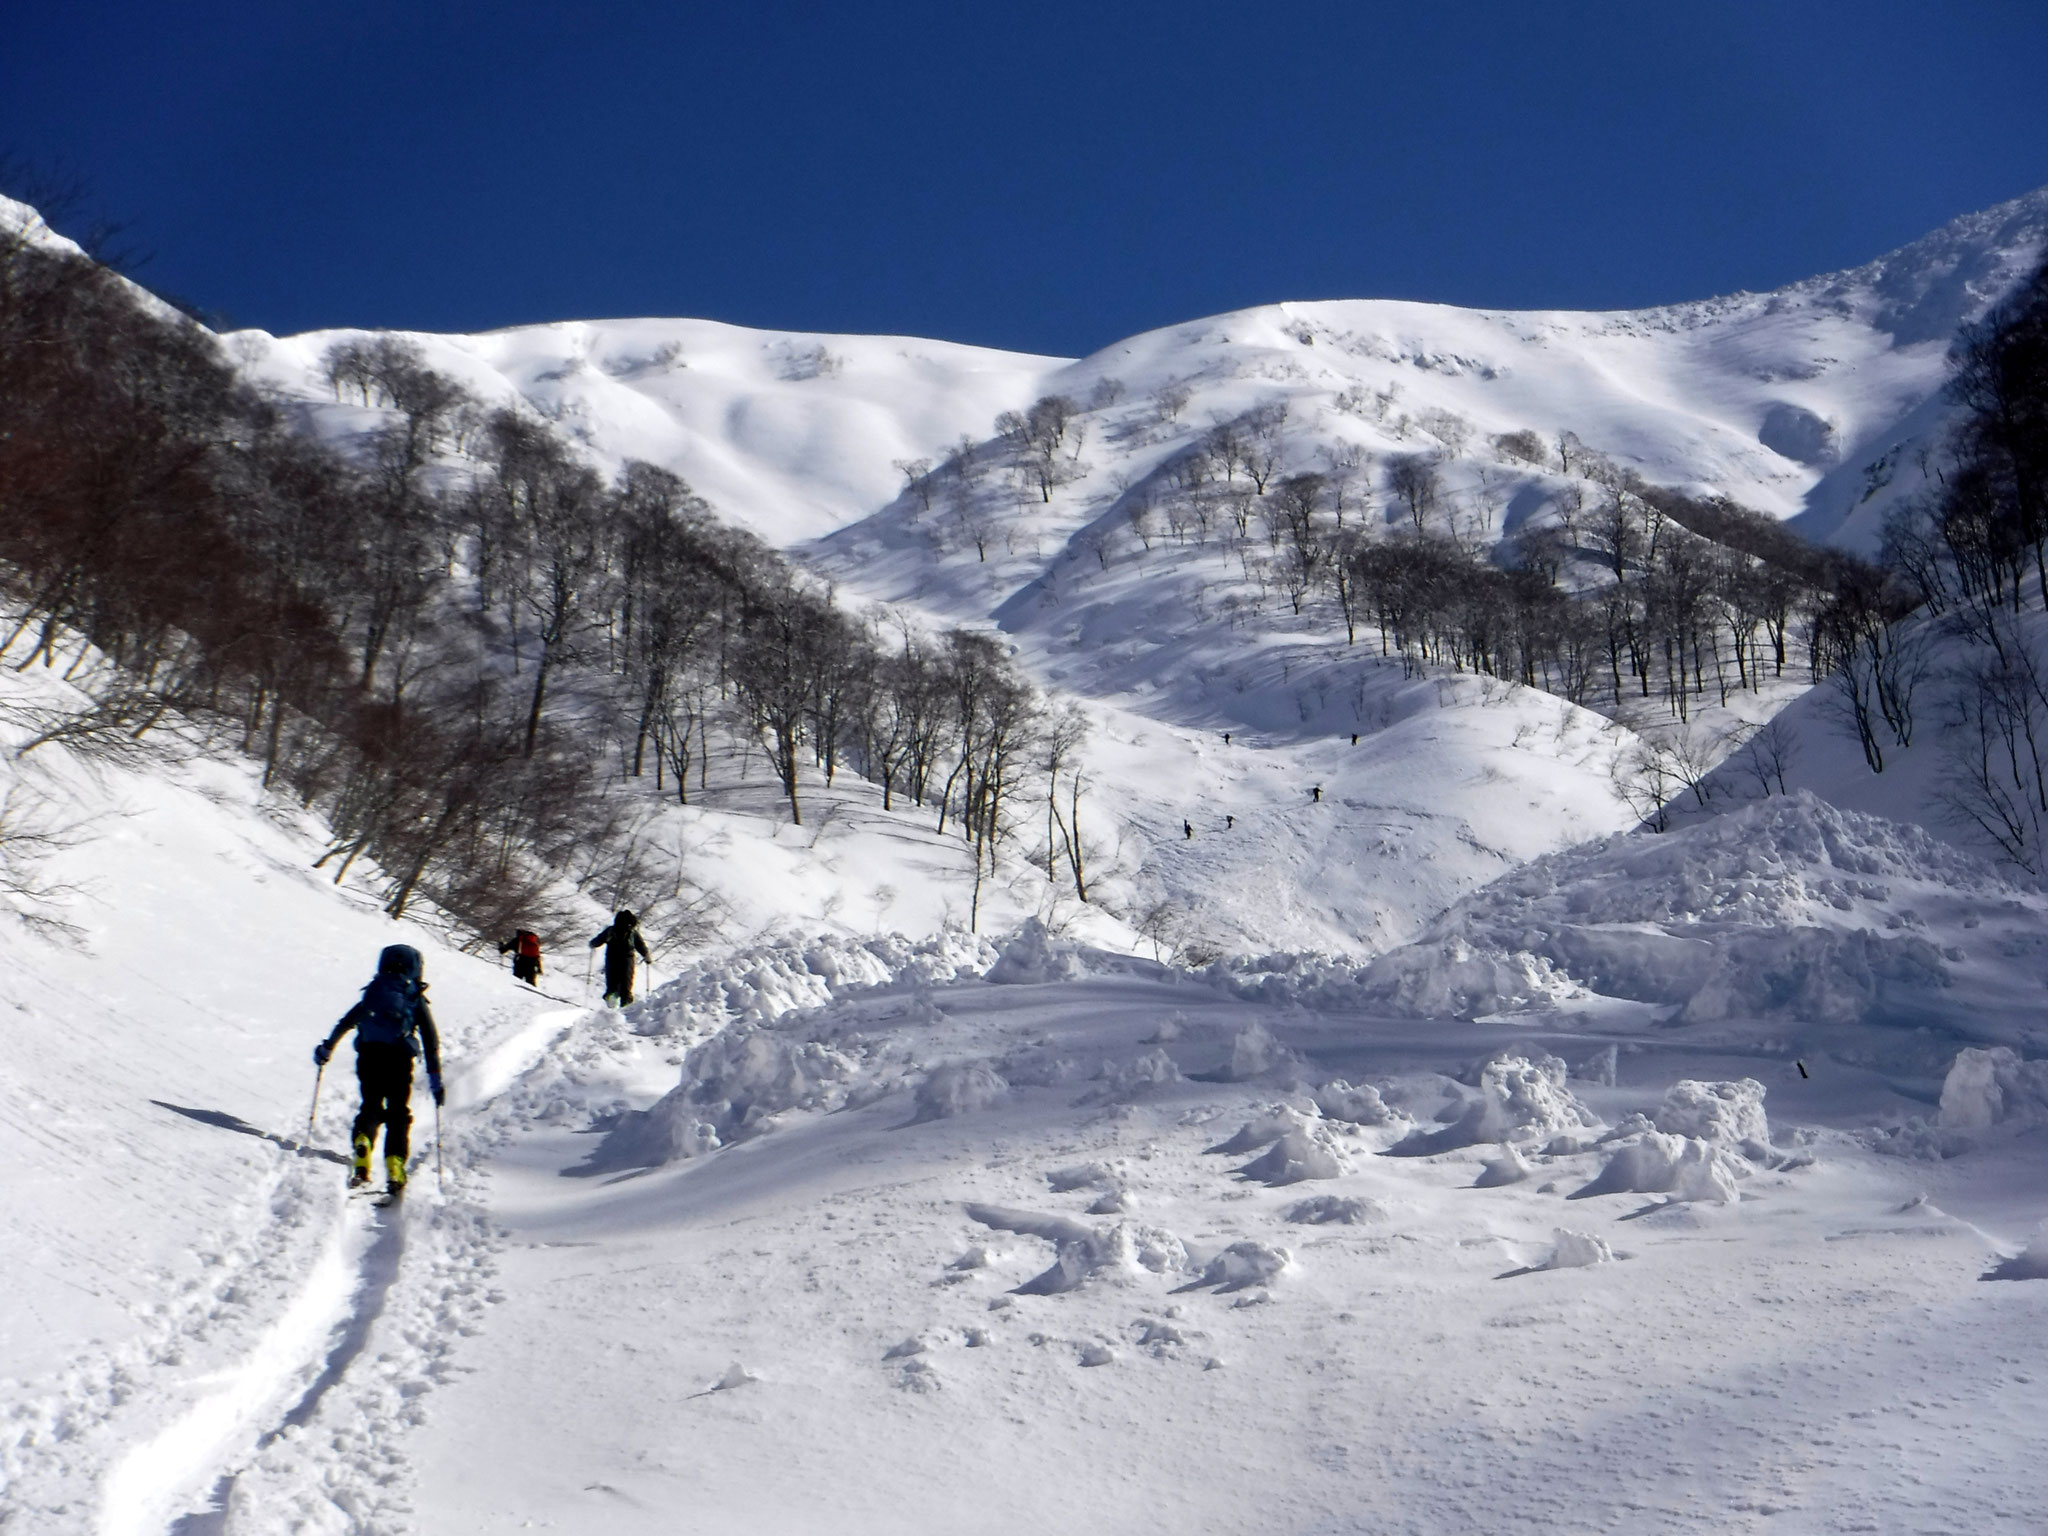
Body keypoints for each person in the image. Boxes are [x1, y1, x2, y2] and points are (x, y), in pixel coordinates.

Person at [314, 944, 443, 1196]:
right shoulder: (413, 995)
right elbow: (430, 1039)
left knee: (371, 1106)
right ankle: (395, 1163)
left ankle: (363, 1148)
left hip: (369, 1054)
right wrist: (436, 1080)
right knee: (397, 1112)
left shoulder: (374, 991)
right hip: (400, 1058)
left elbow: (347, 1022)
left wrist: (327, 1049)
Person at [590, 908, 651, 1006]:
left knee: (612, 983)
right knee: (626, 984)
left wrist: (592, 944)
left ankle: (611, 1005)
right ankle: (625, 1007)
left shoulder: (610, 930)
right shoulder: (632, 932)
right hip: (627, 960)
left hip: (611, 959)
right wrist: (647, 957)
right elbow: (640, 945)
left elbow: (598, 940)